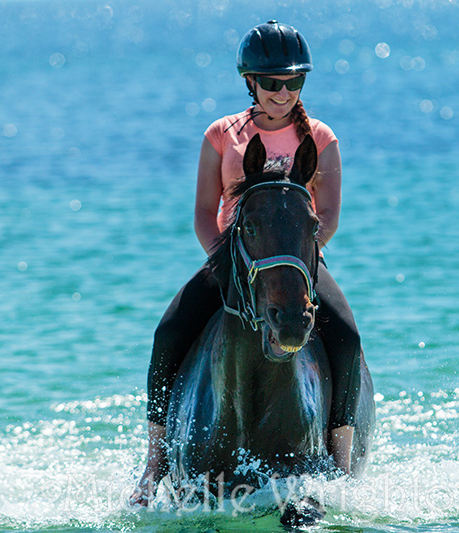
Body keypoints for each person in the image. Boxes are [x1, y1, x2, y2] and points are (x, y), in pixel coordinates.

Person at [132, 20, 362, 504]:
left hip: (297, 261)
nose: (283, 92)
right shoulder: (222, 134)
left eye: (294, 81)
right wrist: (226, 264)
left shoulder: (321, 138)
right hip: (232, 259)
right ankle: (153, 464)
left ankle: (340, 466)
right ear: (250, 81)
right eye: (273, 82)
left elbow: (330, 215)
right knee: (168, 332)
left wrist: (300, 263)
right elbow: (202, 211)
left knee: (346, 334)